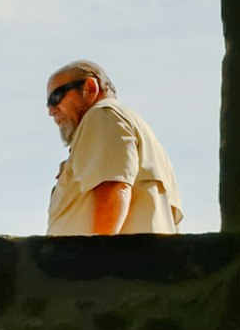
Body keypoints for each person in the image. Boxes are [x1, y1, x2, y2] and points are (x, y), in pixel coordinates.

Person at [44, 61, 183, 236]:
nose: (52, 111)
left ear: (90, 88)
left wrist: (99, 255)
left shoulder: (103, 115)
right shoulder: (142, 135)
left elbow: (113, 187)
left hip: (108, 261)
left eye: (56, 97)